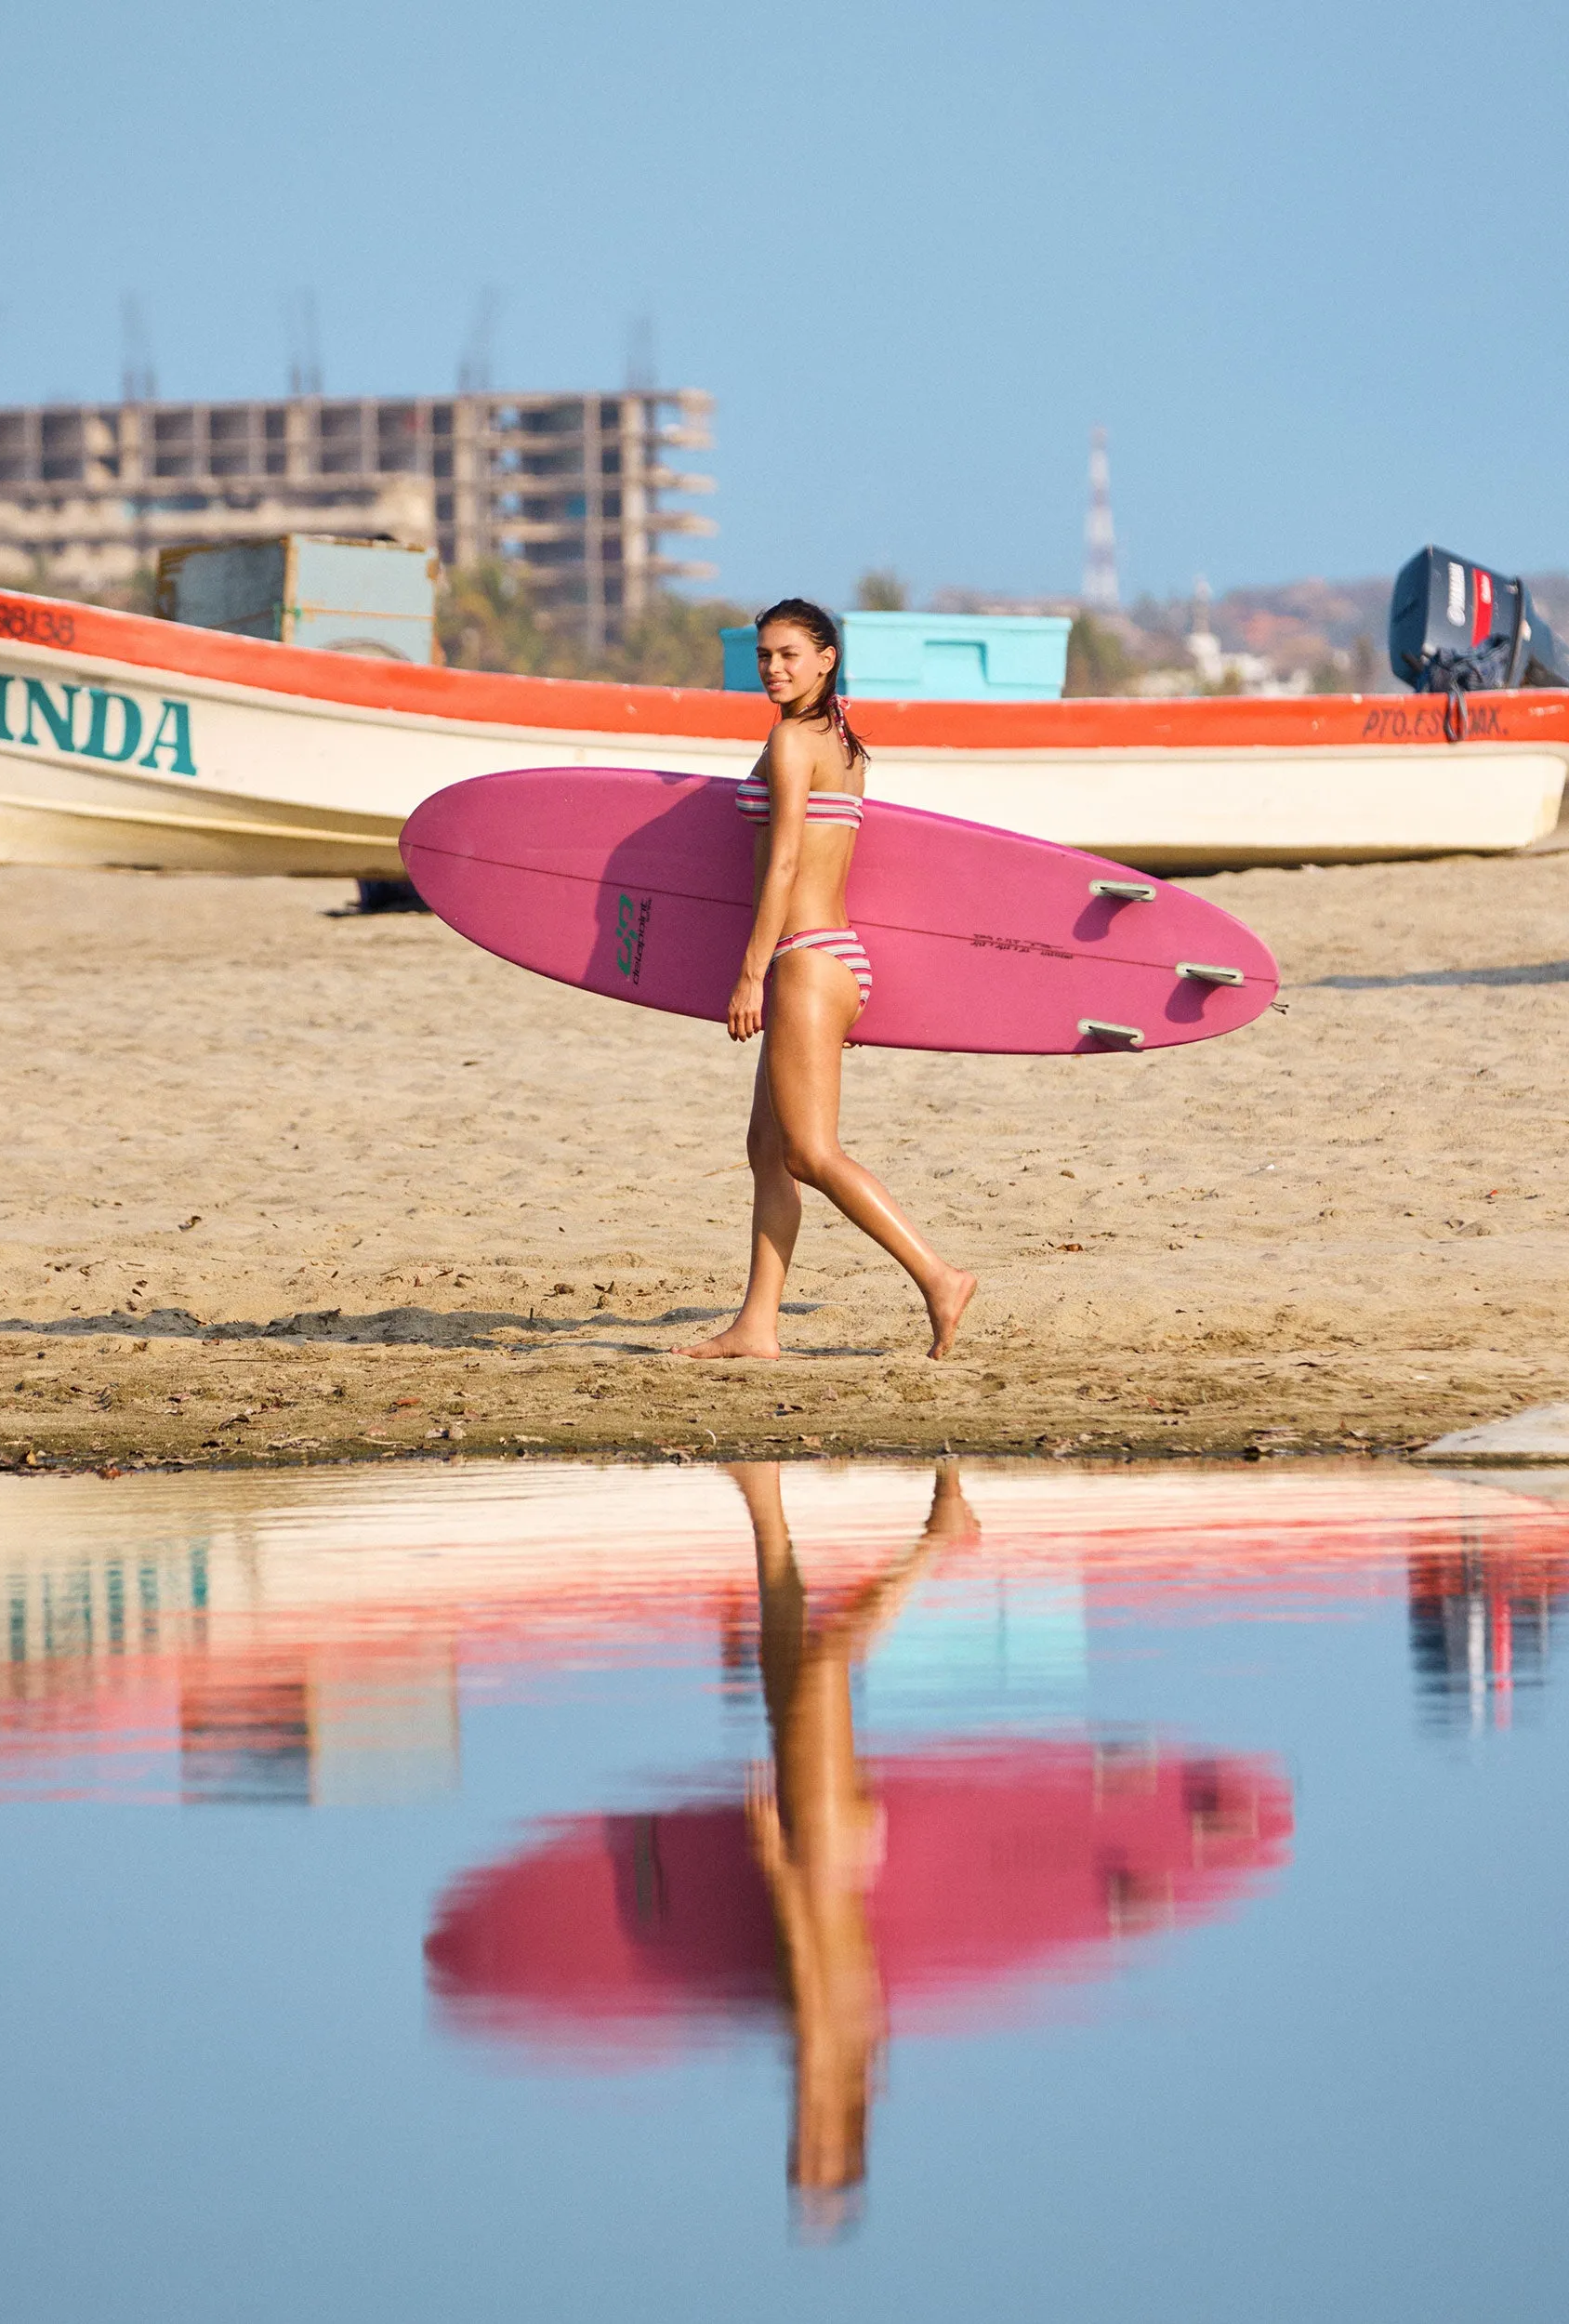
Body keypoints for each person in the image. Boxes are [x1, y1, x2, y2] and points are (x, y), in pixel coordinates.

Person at [681, 599, 976, 1362]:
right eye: (763, 656)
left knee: (811, 1153)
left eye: (788, 655)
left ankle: (939, 1277)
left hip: (804, 960)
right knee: (767, 1148)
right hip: (834, 957)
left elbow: (783, 863)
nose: (773, 669)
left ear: (826, 658)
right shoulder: (840, 739)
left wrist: (750, 975)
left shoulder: (791, 740)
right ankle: (757, 1325)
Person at [731, 1458, 981, 2225]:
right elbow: (808, 1957)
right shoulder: (829, 2060)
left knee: (786, 1662)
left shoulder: (860, 2065)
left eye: (801, 2163)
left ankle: (765, 1501)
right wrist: (774, 1858)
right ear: (838, 2139)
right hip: (821, 1854)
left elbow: (836, 1968)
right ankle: (937, 1538)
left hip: (840, 1855)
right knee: (827, 1664)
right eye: (816, 2157)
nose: (800, 2149)